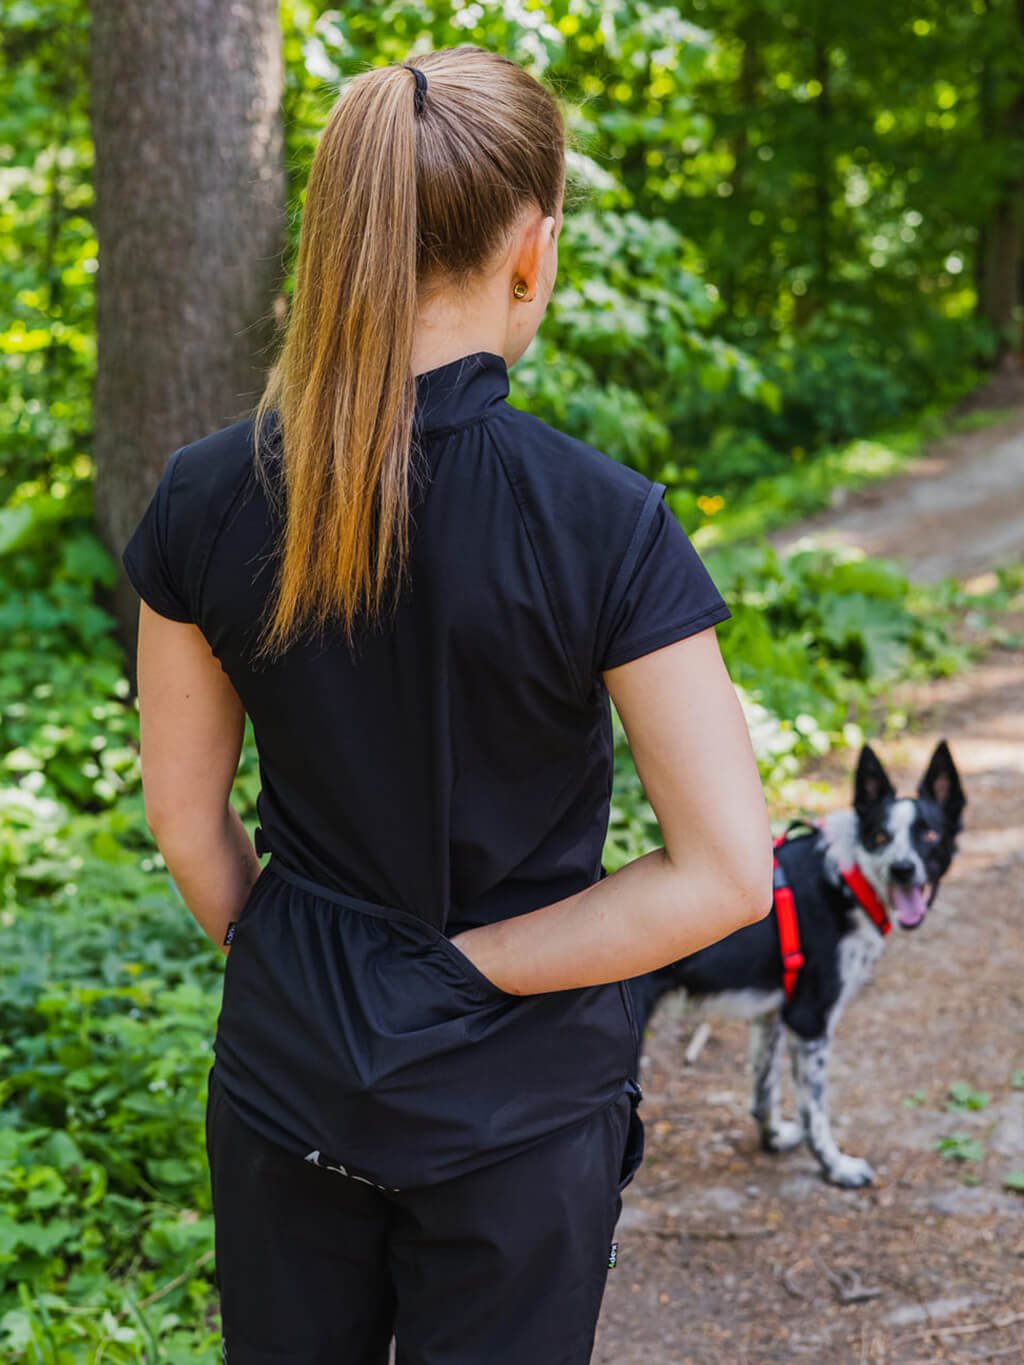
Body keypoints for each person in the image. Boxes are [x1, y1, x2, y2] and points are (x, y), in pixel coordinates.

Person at [121, 44, 772, 1365]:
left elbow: (189, 826)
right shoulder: (604, 524)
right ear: (531, 252)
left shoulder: (205, 495)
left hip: (287, 1078)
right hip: (517, 1115)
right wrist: (462, 970)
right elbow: (727, 873)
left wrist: (324, 979)